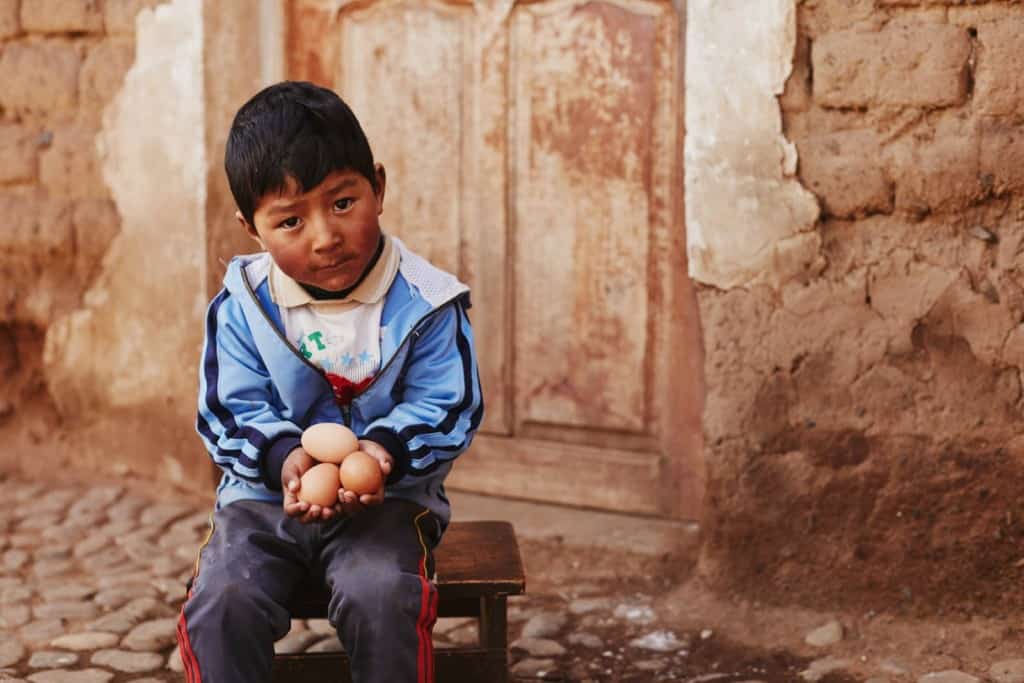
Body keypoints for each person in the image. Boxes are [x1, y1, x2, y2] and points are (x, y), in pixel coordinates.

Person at [175, 80, 483, 683]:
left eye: (343, 203)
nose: (325, 236)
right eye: (290, 220)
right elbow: (226, 411)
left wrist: (382, 452)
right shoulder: (243, 307)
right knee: (223, 601)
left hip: (389, 506)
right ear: (251, 229)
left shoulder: (427, 303)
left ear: (379, 186)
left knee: (381, 596)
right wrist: (284, 459)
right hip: (263, 504)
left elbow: (450, 405)